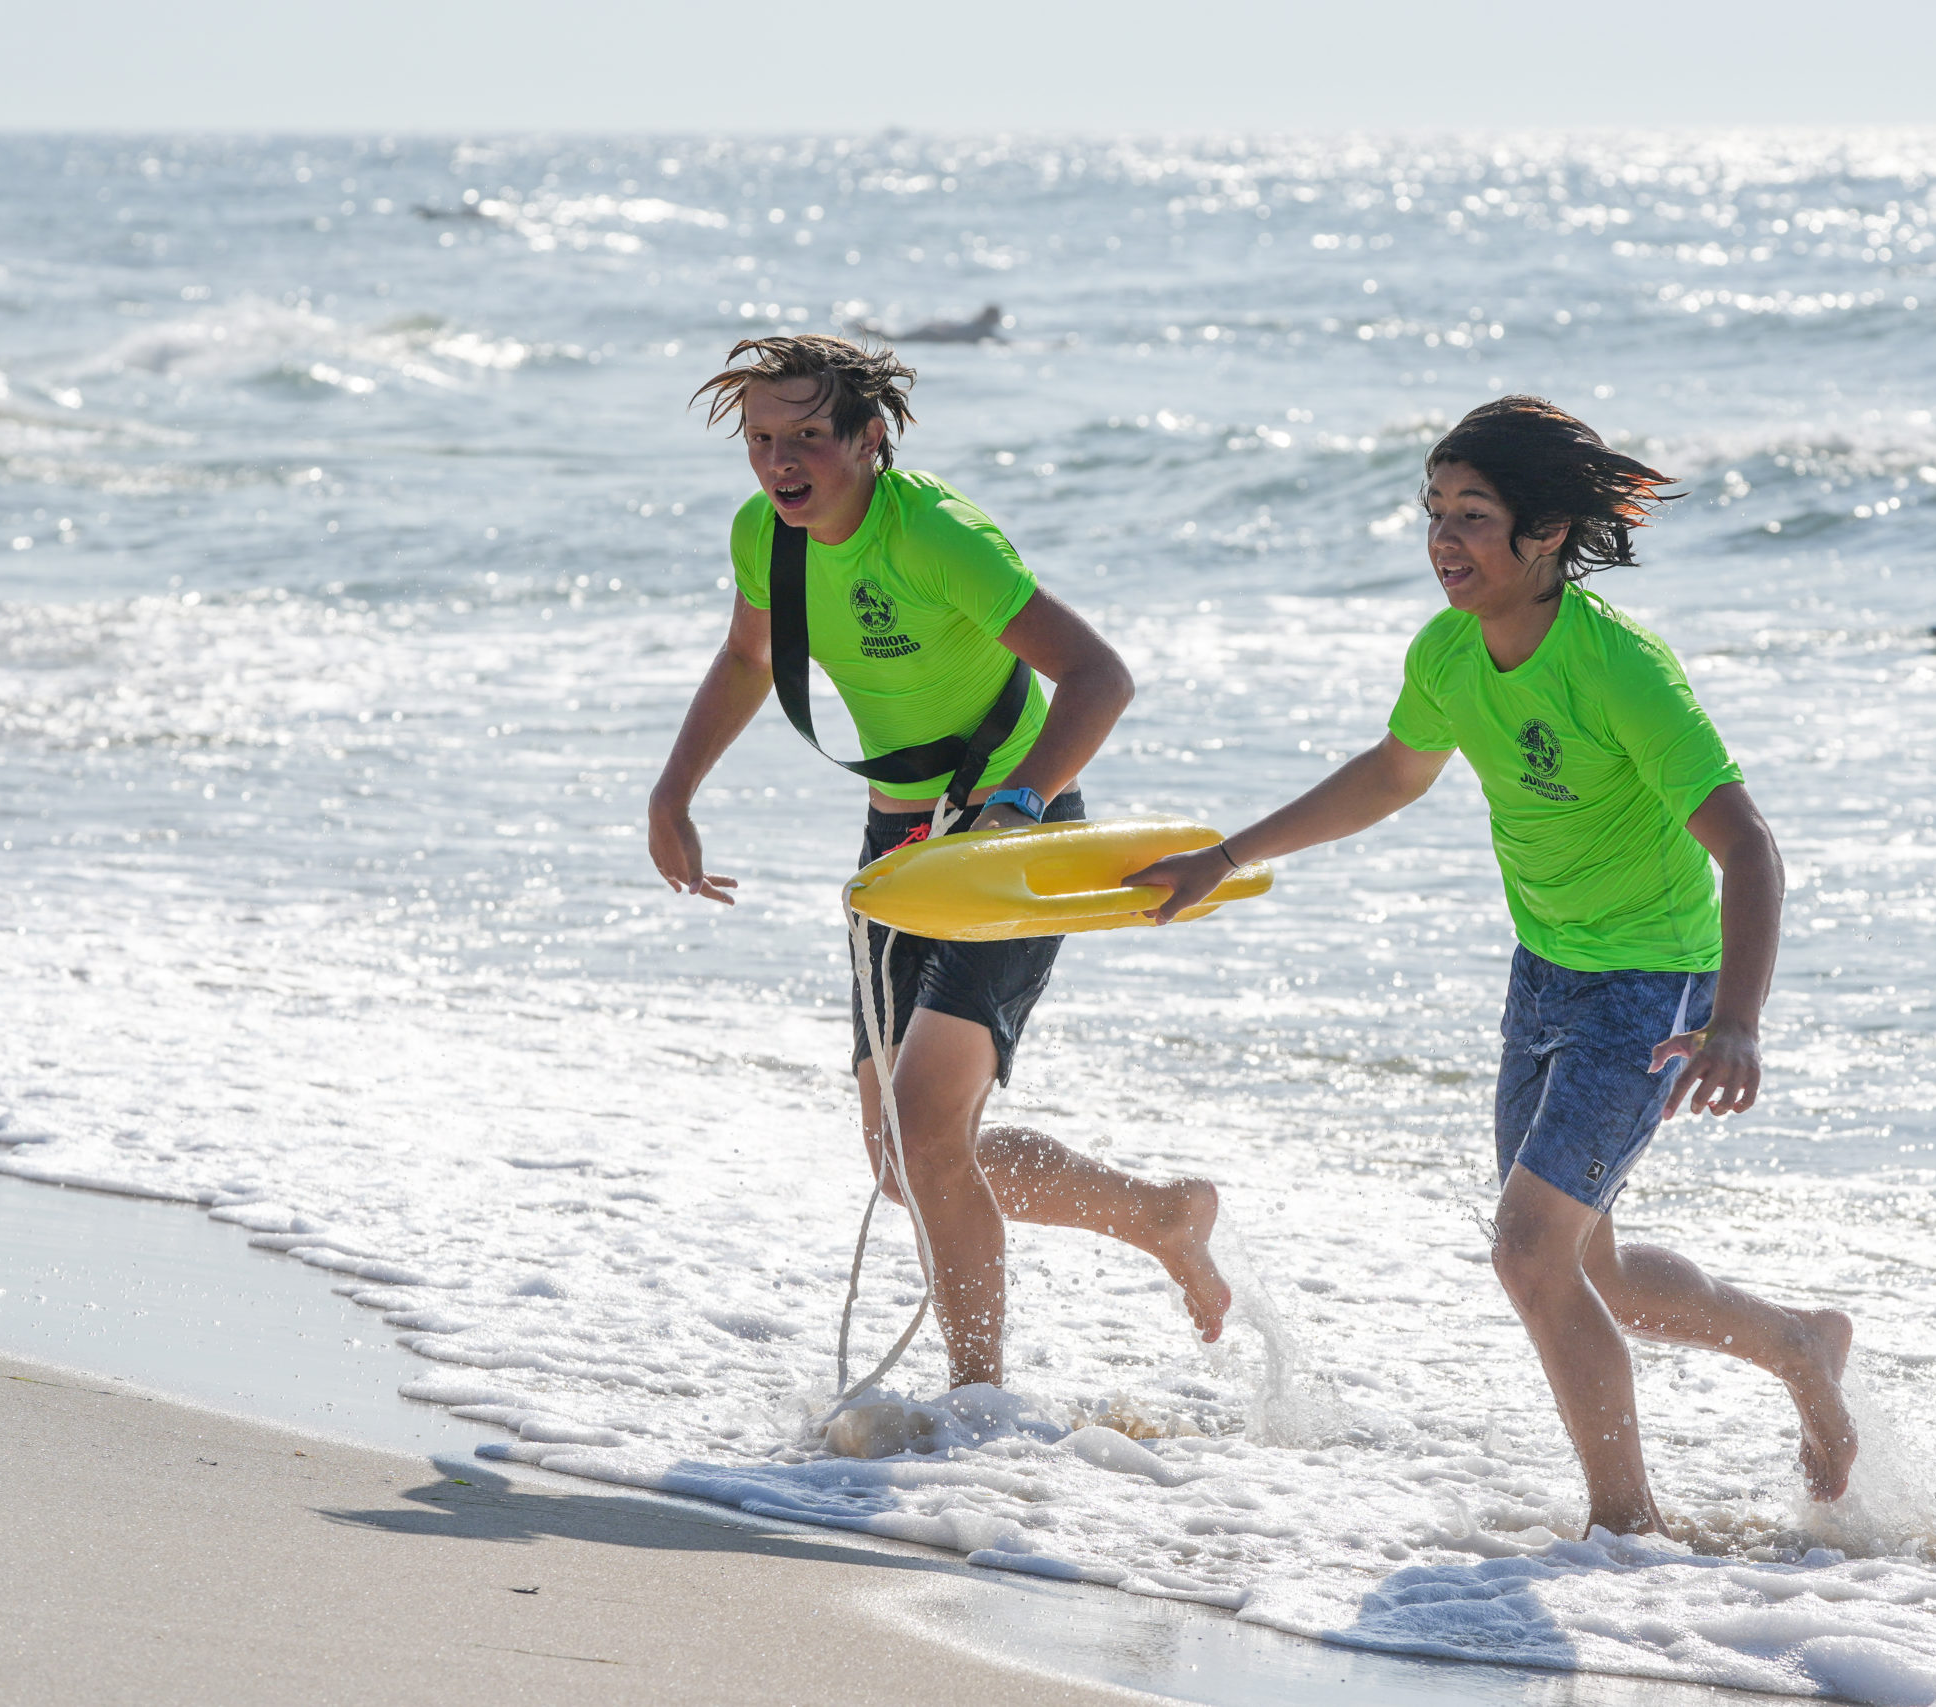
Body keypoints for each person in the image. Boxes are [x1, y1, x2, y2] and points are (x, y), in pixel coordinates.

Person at [1127, 396, 1855, 1536]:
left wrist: (1739, 1023)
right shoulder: (1448, 652)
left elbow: (1749, 847)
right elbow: (1389, 775)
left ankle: (1625, 1529)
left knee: (1526, 1253)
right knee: (1585, 1271)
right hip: (1545, 976)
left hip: (1653, 985)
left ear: (1547, 532)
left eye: (1473, 514)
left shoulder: (1619, 669)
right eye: (1433, 512)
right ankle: (1798, 1344)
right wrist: (1225, 857)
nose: (1443, 538)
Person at [648, 334, 1229, 1393]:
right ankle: (1158, 1215)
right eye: (762, 440)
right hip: (899, 854)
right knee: (904, 1161)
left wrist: (1018, 801)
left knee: (923, 1132)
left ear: (869, 439)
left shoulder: (939, 537)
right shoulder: (762, 537)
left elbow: (1099, 676)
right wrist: (673, 790)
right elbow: (745, 658)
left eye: (808, 438)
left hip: (1014, 841)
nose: (781, 463)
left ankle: (975, 1404)